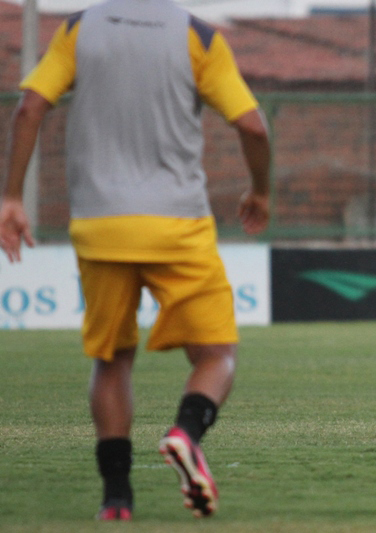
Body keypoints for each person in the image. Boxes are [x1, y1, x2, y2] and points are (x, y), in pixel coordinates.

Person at [0, 0, 270, 520]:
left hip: (99, 224)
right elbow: (254, 127)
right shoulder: (198, 37)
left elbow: (30, 107)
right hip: (177, 224)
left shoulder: (77, 29)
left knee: (112, 359)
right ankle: (186, 433)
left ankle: (116, 500)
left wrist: (11, 197)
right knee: (216, 355)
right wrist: (260, 191)